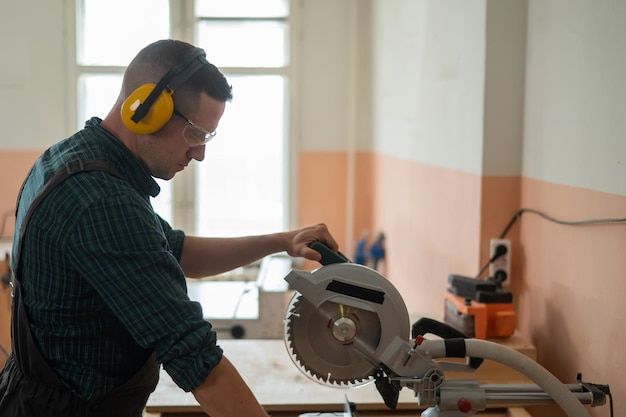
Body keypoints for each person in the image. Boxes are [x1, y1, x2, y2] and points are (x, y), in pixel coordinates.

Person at [0, 39, 339, 417]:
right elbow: (197, 360)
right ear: (146, 111)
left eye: (207, 137)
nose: (200, 153)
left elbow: (175, 251)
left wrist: (282, 241)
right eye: (195, 133)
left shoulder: (74, 160)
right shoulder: (100, 202)